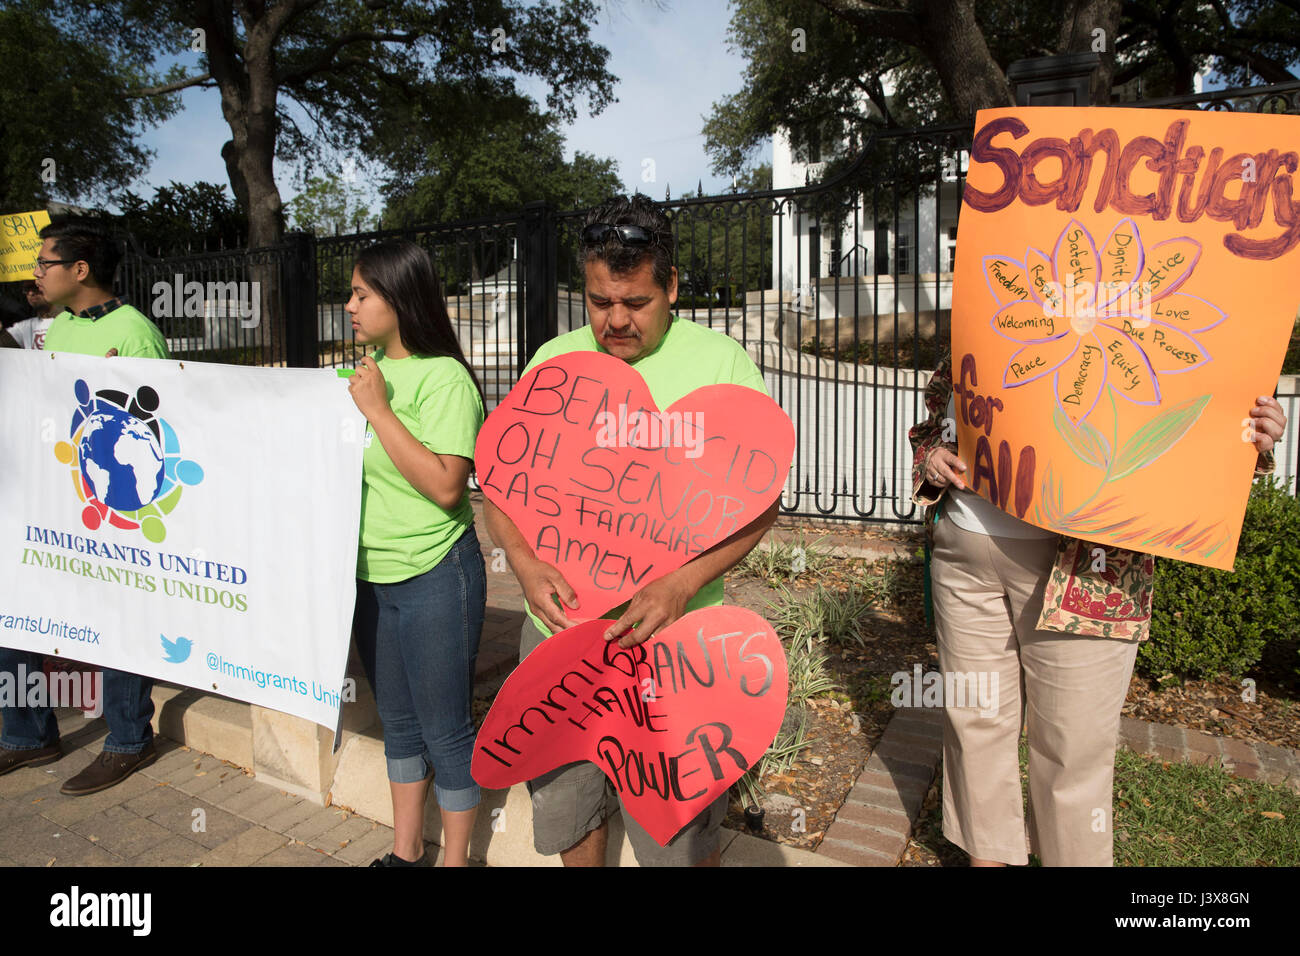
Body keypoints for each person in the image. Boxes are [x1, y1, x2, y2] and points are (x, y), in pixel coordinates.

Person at [484, 193, 780, 867]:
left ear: (671, 287)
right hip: (560, 643)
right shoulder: (552, 362)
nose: (615, 320)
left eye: (636, 303)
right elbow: (500, 486)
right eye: (598, 301)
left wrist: (679, 585)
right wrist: (525, 564)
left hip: (674, 654)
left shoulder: (721, 365)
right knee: (569, 806)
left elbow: (759, 505)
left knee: (678, 838)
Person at [909, 351, 1287, 866]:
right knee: (974, 720)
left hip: (1092, 567)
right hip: (965, 550)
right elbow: (941, 413)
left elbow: (1192, 412)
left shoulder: (1147, 321)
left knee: (1073, 745)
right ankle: (986, 859)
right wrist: (931, 454)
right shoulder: (1001, 289)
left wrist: (1248, 435)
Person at [0, 217, 168, 794]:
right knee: (16, 602)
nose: (36, 273)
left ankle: (127, 739)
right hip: (52, 501)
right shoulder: (59, 328)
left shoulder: (134, 332)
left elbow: (157, 427)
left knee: (117, 617)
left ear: (79, 269)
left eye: (45, 263)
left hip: (110, 506)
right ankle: (26, 734)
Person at [344, 239, 487, 867]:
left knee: (445, 731)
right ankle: (405, 854)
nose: (348, 305)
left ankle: (454, 862)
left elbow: (445, 484)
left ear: (399, 299)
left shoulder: (443, 377)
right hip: (372, 576)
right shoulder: (365, 374)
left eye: (361, 294)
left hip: (435, 573)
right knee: (397, 726)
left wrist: (377, 412)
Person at [8, 280, 63, 349]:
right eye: (26, 289)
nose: (31, 293)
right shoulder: (26, 326)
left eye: (36, 287)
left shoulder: (70, 320)